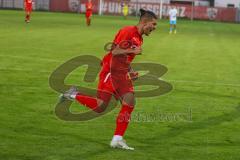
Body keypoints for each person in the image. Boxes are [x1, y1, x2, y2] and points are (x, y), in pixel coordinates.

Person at [60, 9, 157, 150]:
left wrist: (131, 71)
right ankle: (72, 94)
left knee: (129, 102)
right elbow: (115, 51)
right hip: (111, 71)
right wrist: (132, 51)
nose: (154, 28)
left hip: (121, 73)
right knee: (101, 107)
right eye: (153, 24)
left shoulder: (139, 37)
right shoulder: (128, 31)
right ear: (144, 22)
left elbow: (125, 58)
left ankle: (117, 139)